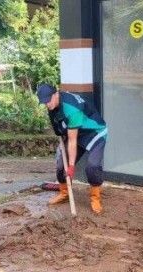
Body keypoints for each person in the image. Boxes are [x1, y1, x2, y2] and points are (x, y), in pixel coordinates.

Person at [36, 84, 108, 214]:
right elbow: (60, 128)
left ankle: (95, 198)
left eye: (48, 100)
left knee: (92, 166)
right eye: (44, 102)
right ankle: (65, 193)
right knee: (60, 166)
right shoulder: (52, 105)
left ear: (56, 94)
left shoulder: (72, 109)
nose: (47, 104)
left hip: (95, 132)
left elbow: (73, 140)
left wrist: (71, 166)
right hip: (76, 132)